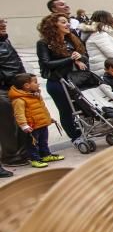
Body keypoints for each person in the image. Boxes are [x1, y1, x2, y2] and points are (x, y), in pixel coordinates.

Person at [36, 13, 88, 141]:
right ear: (54, 26)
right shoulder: (43, 43)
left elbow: (85, 57)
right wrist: (70, 59)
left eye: (68, 22)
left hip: (75, 80)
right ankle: (74, 137)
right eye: (63, 22)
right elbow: (47, 63)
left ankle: (85, 129)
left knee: (83, 107)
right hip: (58, 82)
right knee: (66, 111)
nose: (68, 24)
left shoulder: (72, 39)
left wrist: (79, 57)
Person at [8, 72, 63, 169]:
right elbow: (19, 114)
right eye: (35, 82)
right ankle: (35, 159)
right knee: (32, 144)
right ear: (27, 86)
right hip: (32, 127)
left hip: (42, 124)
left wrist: (48, 119)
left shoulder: (36, 95)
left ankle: (46, 155)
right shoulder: (19, 100)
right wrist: (24, 125)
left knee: (43, 141)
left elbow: (42, 109)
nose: (38, 84)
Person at [0, 16, 29, 175]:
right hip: (3, 89)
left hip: (14, 86)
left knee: (21, 120)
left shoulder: (5, 41)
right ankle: (11, 156)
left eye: (3, 22)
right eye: (0, 24)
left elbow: (15, 62)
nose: (3, 25)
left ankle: (21, 154)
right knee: (8, 126)